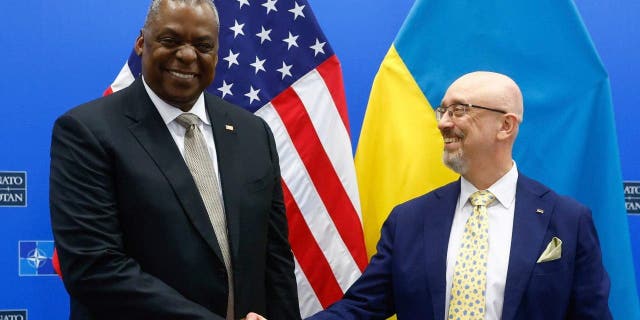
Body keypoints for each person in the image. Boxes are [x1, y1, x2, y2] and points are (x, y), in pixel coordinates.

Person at [49, 1, 300, 319]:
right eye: (171, 40)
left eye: (203, 45)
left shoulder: (254, 133)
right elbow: (94, 268)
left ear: (217, 54)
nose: (187, 55)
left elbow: (275, 258)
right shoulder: (87, 132)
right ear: (141, 43)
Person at [307, 71, 611, 319]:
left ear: (505, 126)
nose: (443, 123)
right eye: (443, 110)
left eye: (459, 111)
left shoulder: (568, 221)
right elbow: (360, 308)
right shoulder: (409, 220)